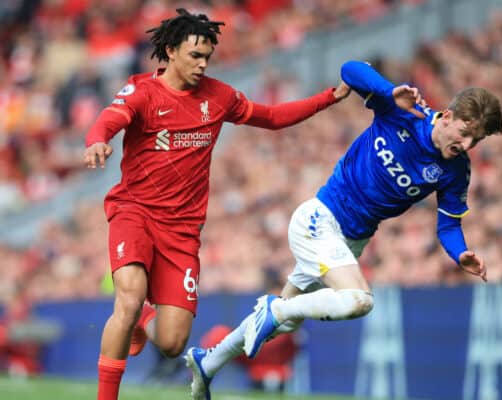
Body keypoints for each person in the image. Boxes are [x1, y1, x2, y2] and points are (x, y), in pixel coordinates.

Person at [185, 59, 502, 399]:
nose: (467, 145)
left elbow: (448, 224)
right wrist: (387, 91)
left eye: (477, 140)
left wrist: (460, 253)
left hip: (351, 240)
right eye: (465, 133)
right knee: (358, 301)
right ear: (449, 116)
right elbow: (350, 69)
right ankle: (274, 309)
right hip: (320, 219)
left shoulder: (456, 169)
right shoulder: (405, 111)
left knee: (284, 322)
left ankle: (208, 363)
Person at [83, 9, 350, 400]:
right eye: (195, 56)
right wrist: (96, 140)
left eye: (207, 57)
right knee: (128, 295)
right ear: (171, 51)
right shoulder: (142, 91)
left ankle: (146, 318)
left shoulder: (219, 96)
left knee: (173, 343)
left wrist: (328, 98)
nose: (202, 64)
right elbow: (109, 118)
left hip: (183, 230)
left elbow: (272, 116)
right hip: (134, 211)